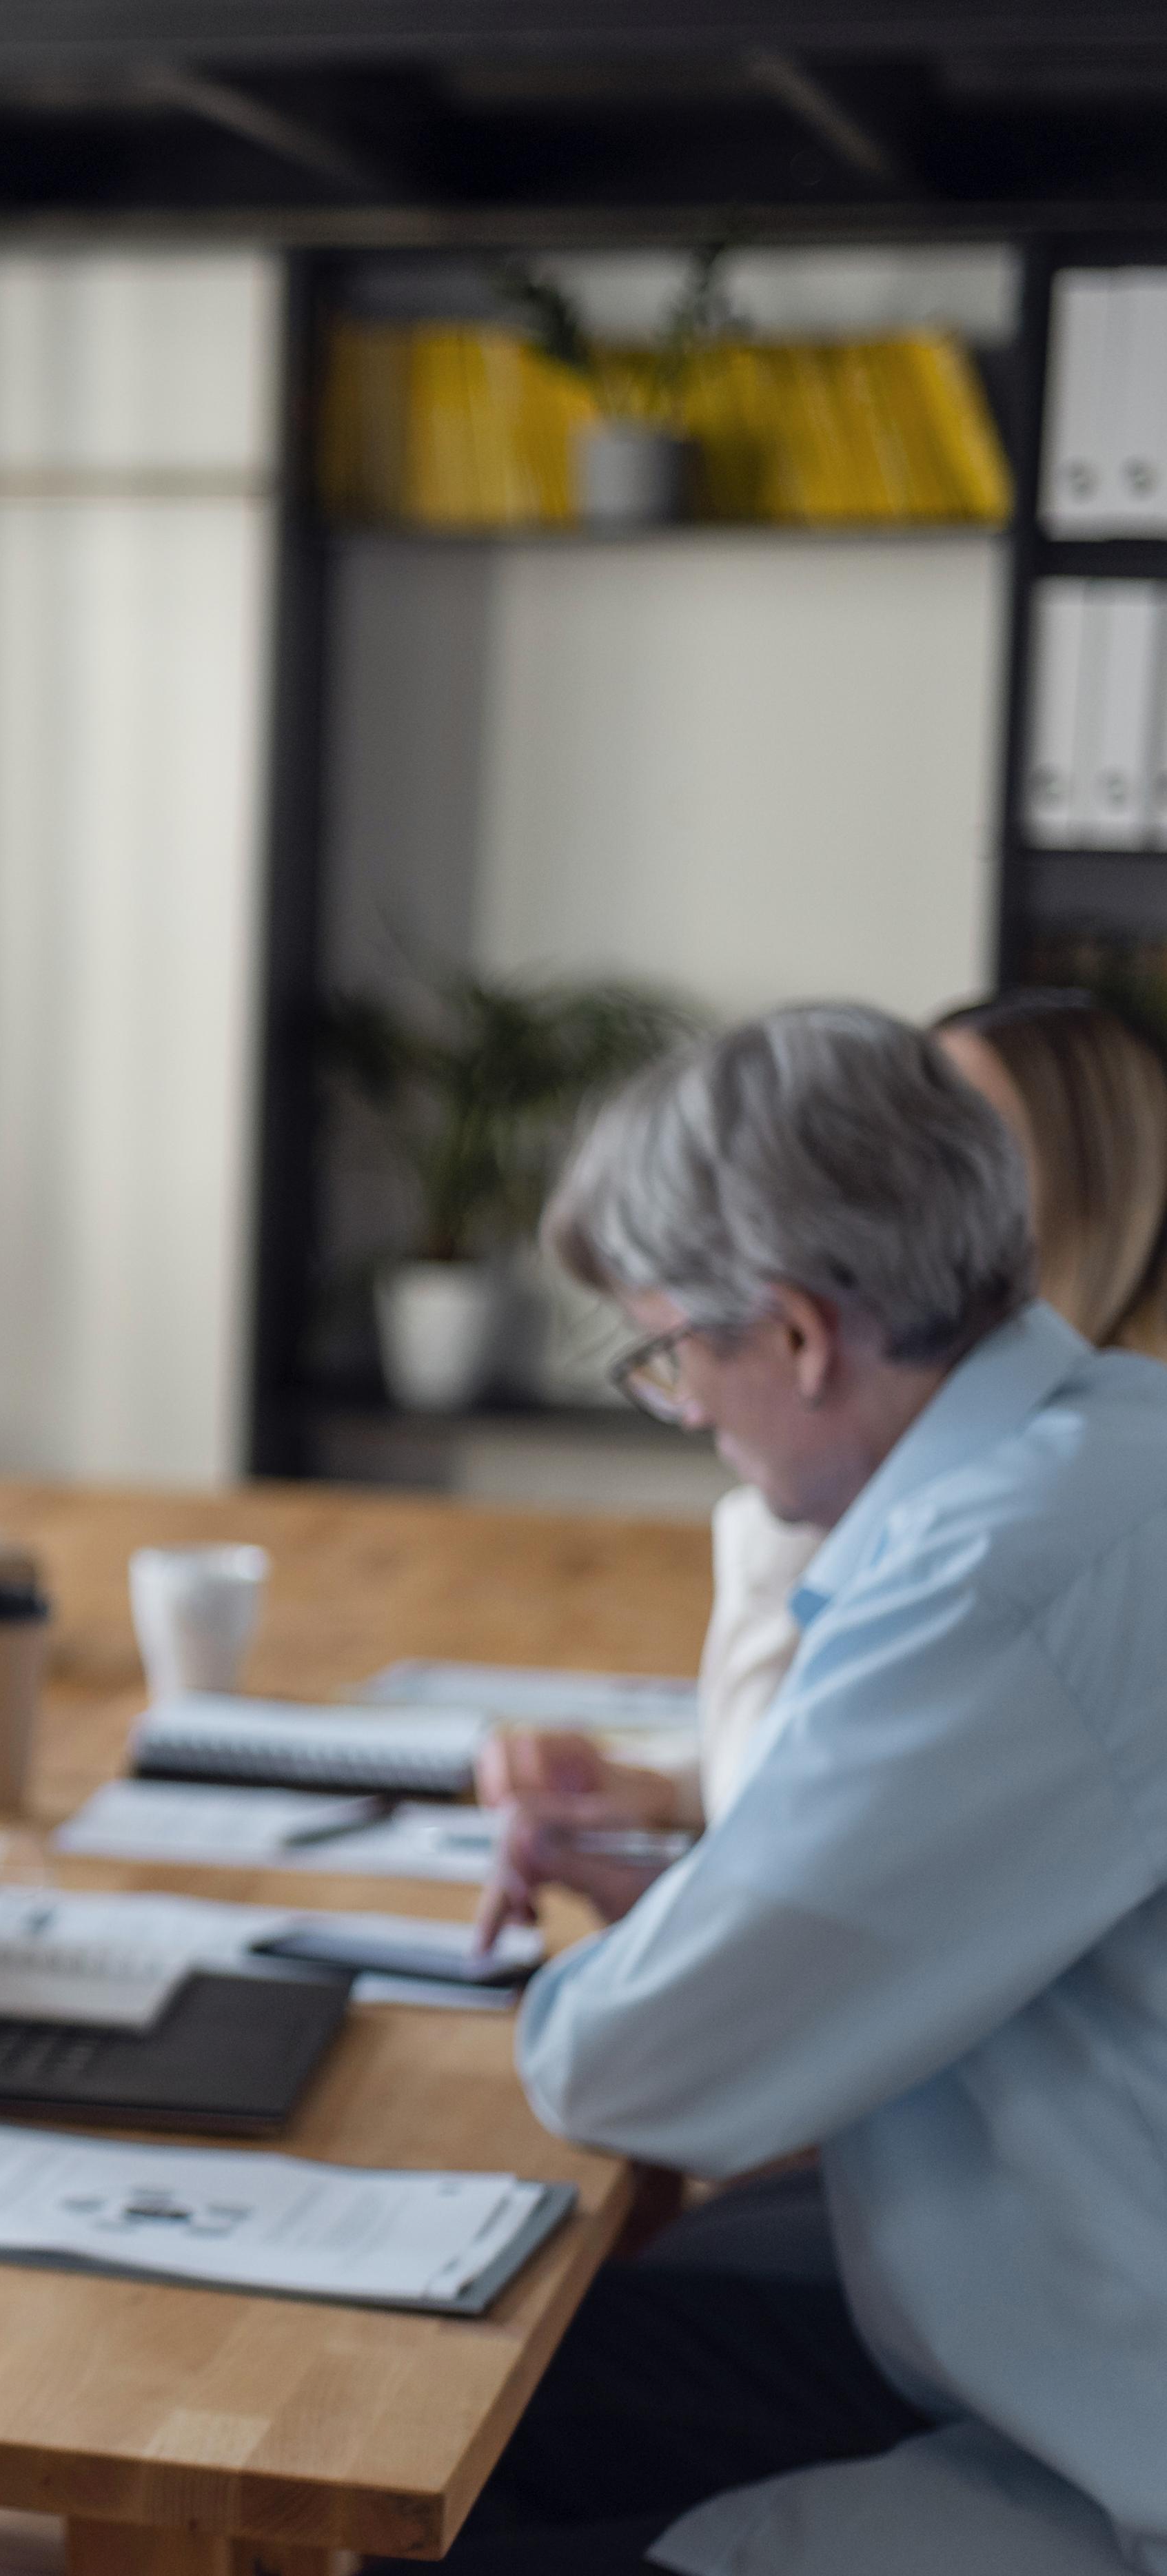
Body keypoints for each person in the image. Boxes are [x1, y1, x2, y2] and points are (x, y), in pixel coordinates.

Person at [413, 1003, 1167, 2576]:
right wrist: (702, 1906)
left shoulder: (988, 1579)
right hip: (1055, 2335)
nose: (682, 1409)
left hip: (1100, 2449)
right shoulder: (1099, 1452)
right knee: (491, 2413)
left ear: (799, 1336)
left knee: (441, 2456)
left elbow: (627, 2067)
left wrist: (665, 1947)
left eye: (669, 1356)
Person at [477, 987, 1167, 1857]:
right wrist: (668, 1795)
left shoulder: (1022, 1521)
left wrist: (791, 1489)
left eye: (955, 1146)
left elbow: (801, 1860)